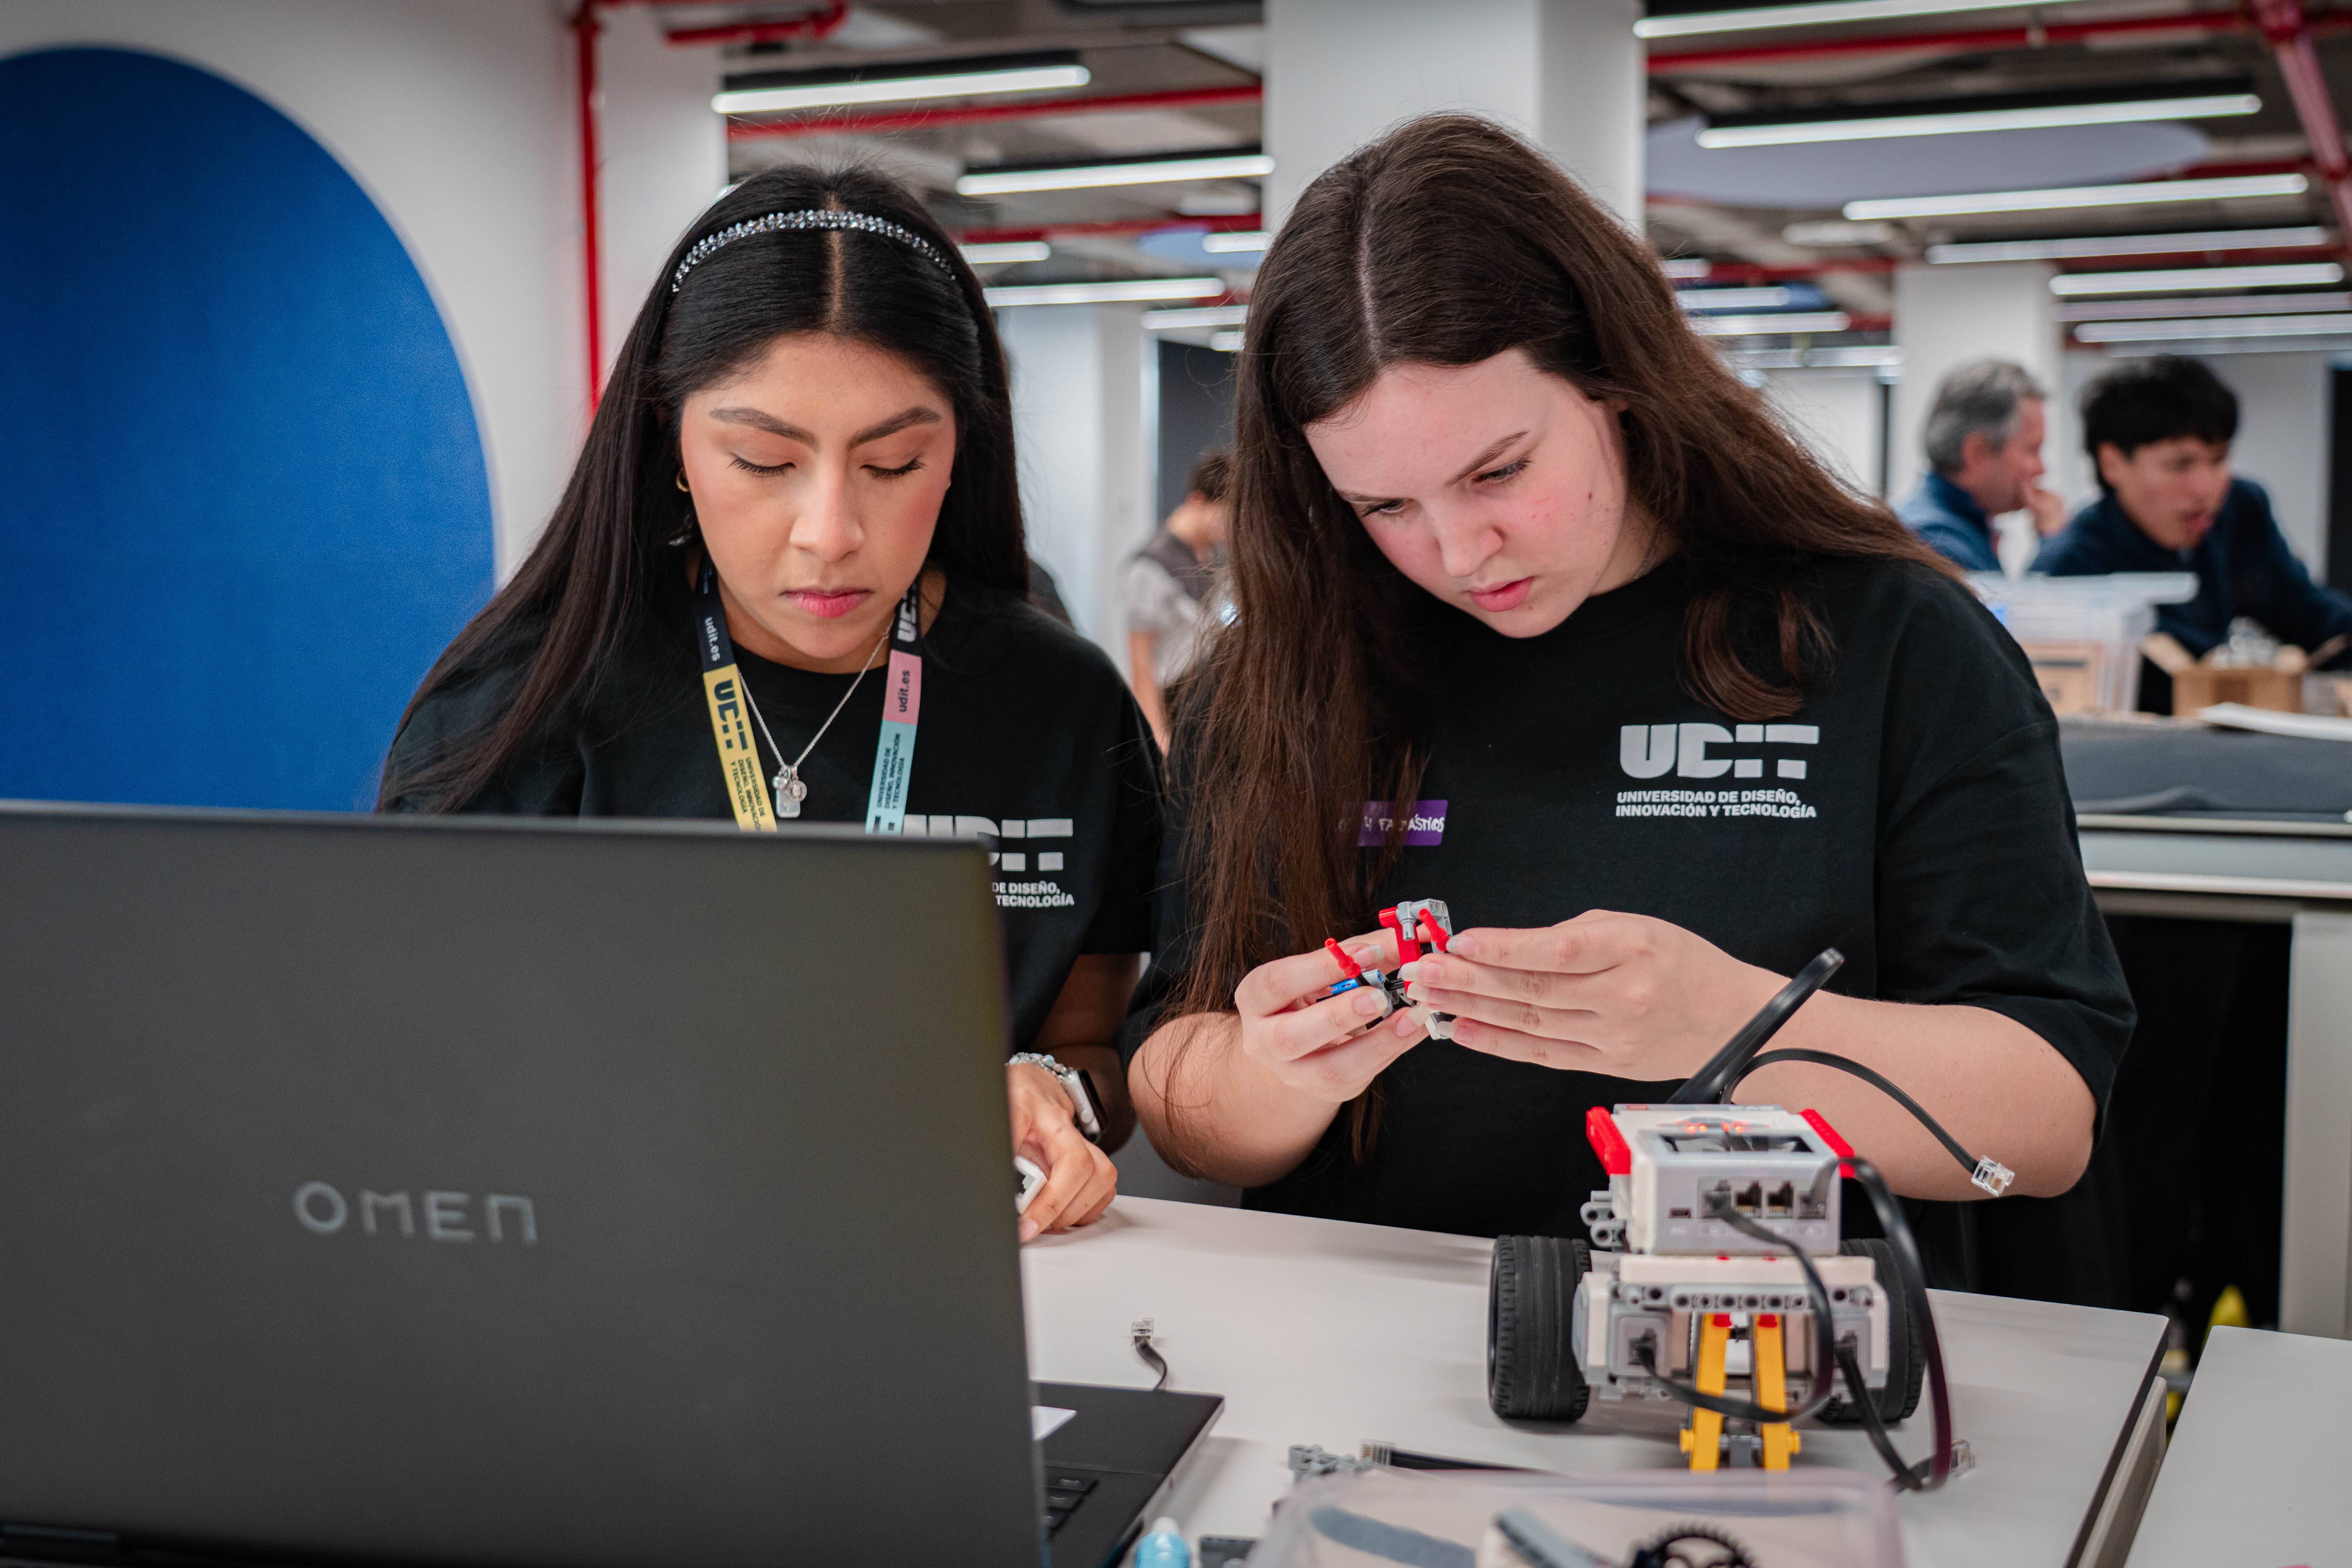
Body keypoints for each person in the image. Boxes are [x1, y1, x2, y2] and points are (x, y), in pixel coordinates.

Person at [1119, 115, 2133, 1285]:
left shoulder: (1891, 642)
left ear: (1617, 382)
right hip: (1368, 1360)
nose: (1459, 548)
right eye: (1381, 506)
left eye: (1498, 471)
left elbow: (2049, 1121)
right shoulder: (1277, 679)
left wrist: (1731, 1023)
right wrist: (1273, 1074)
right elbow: (1180, 1093)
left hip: (1781, 1371)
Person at [378, 164, 1158, 1243]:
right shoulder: (521, 706)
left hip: (957, 1279)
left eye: (893, 462)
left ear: (960, 445)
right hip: (608, 1266)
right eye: (763, 459)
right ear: (672, 440)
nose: (828, 531)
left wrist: (1052, 1093)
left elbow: (1095, 1051)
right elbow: (411, 1065)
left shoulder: (1064, 705)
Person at [2038, 355, 2352, 711]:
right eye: (2179, 465)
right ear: (2112, 464)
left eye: (2218, 460)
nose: (2206, 489)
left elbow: (2307, 612)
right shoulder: (2068, 571)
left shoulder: (2241, 509)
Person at [1895, 359, 2064, 573]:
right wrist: (2055, 543)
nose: (2041, 469)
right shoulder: (1936, 544)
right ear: (1976, 453)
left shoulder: (1957, 528)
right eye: (2032, 450)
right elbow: (2004, 608)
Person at [1123, 451, 1233, 749]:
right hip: (1174, 708)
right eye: (1226, 513)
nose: (1231, 525)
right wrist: (1159, 741)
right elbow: (1141, 661)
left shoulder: (1215, 557)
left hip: (1210, 711)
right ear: (1199, 501)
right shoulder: (1150, 566)